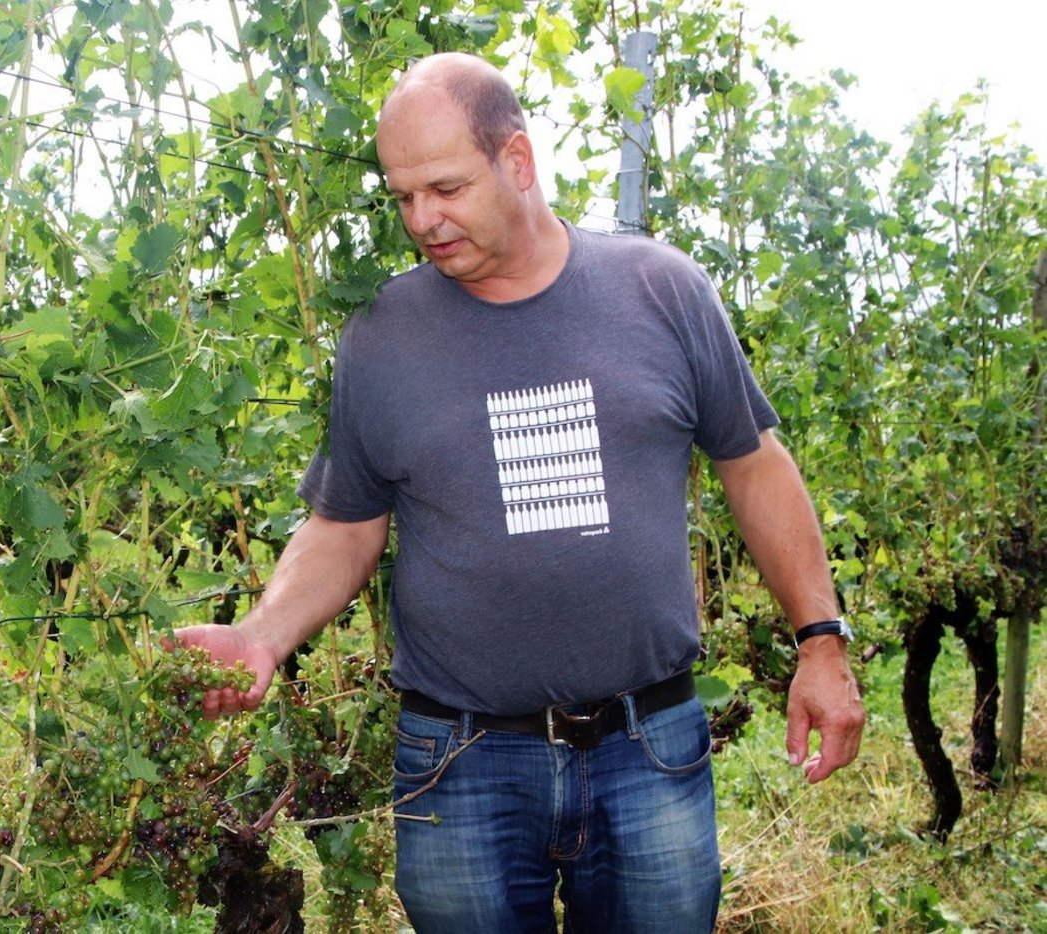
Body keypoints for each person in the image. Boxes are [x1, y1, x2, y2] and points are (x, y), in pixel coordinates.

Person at [175, 52, 864, 933]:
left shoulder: (661, 290)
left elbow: (754, 463)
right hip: (459, 761)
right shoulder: (383, 337)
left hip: (648, 745)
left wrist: (820, 641)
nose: (423, 219)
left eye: (446, 188)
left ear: (520, 162)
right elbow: (345, 524)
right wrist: (261, 634)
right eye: (402, 197)